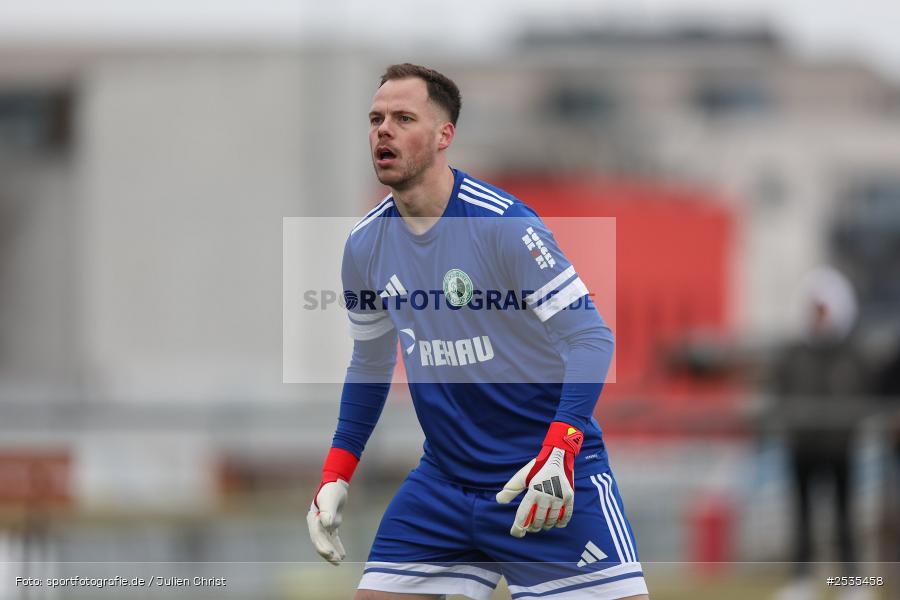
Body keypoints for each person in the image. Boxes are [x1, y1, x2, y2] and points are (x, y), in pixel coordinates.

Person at [306, 63, 648, 600]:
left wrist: (559, 452)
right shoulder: (364, 246)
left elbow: (591, 338)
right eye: (375, 119)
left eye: (402, 118)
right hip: (444, 486)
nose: (382, 131)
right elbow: (370, 363)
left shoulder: (505, 226)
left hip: (545, 480)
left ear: (445, 136)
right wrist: (335, 473)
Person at [770, 266, 871, 600]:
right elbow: (781, 393)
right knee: (802, 517)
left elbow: (863, 396)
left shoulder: (852, 354)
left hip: (841, 447)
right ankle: (801, 581)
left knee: (845, 516)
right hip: (803, 447)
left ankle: (852, 584)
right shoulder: (795, 353)